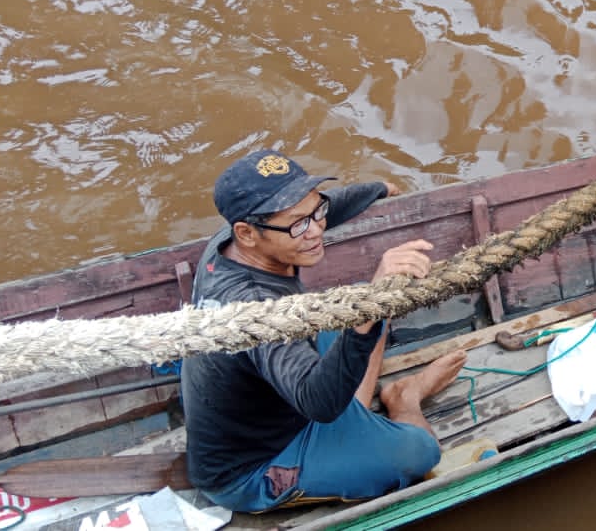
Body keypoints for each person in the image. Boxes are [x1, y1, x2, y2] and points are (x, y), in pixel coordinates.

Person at [180, 149, 468, 513]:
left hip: (279, 396)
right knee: (422, 452)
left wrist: (377, 188)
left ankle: (356, 416)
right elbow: (318, 403)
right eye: (299, 224)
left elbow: (317, 211)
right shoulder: (255, 313)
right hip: (257, 462)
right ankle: (402, 401)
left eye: (316, 213)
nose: (317, 229)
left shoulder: (227, 244)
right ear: (247, 233)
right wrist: (371, 305)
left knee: (374, 296)